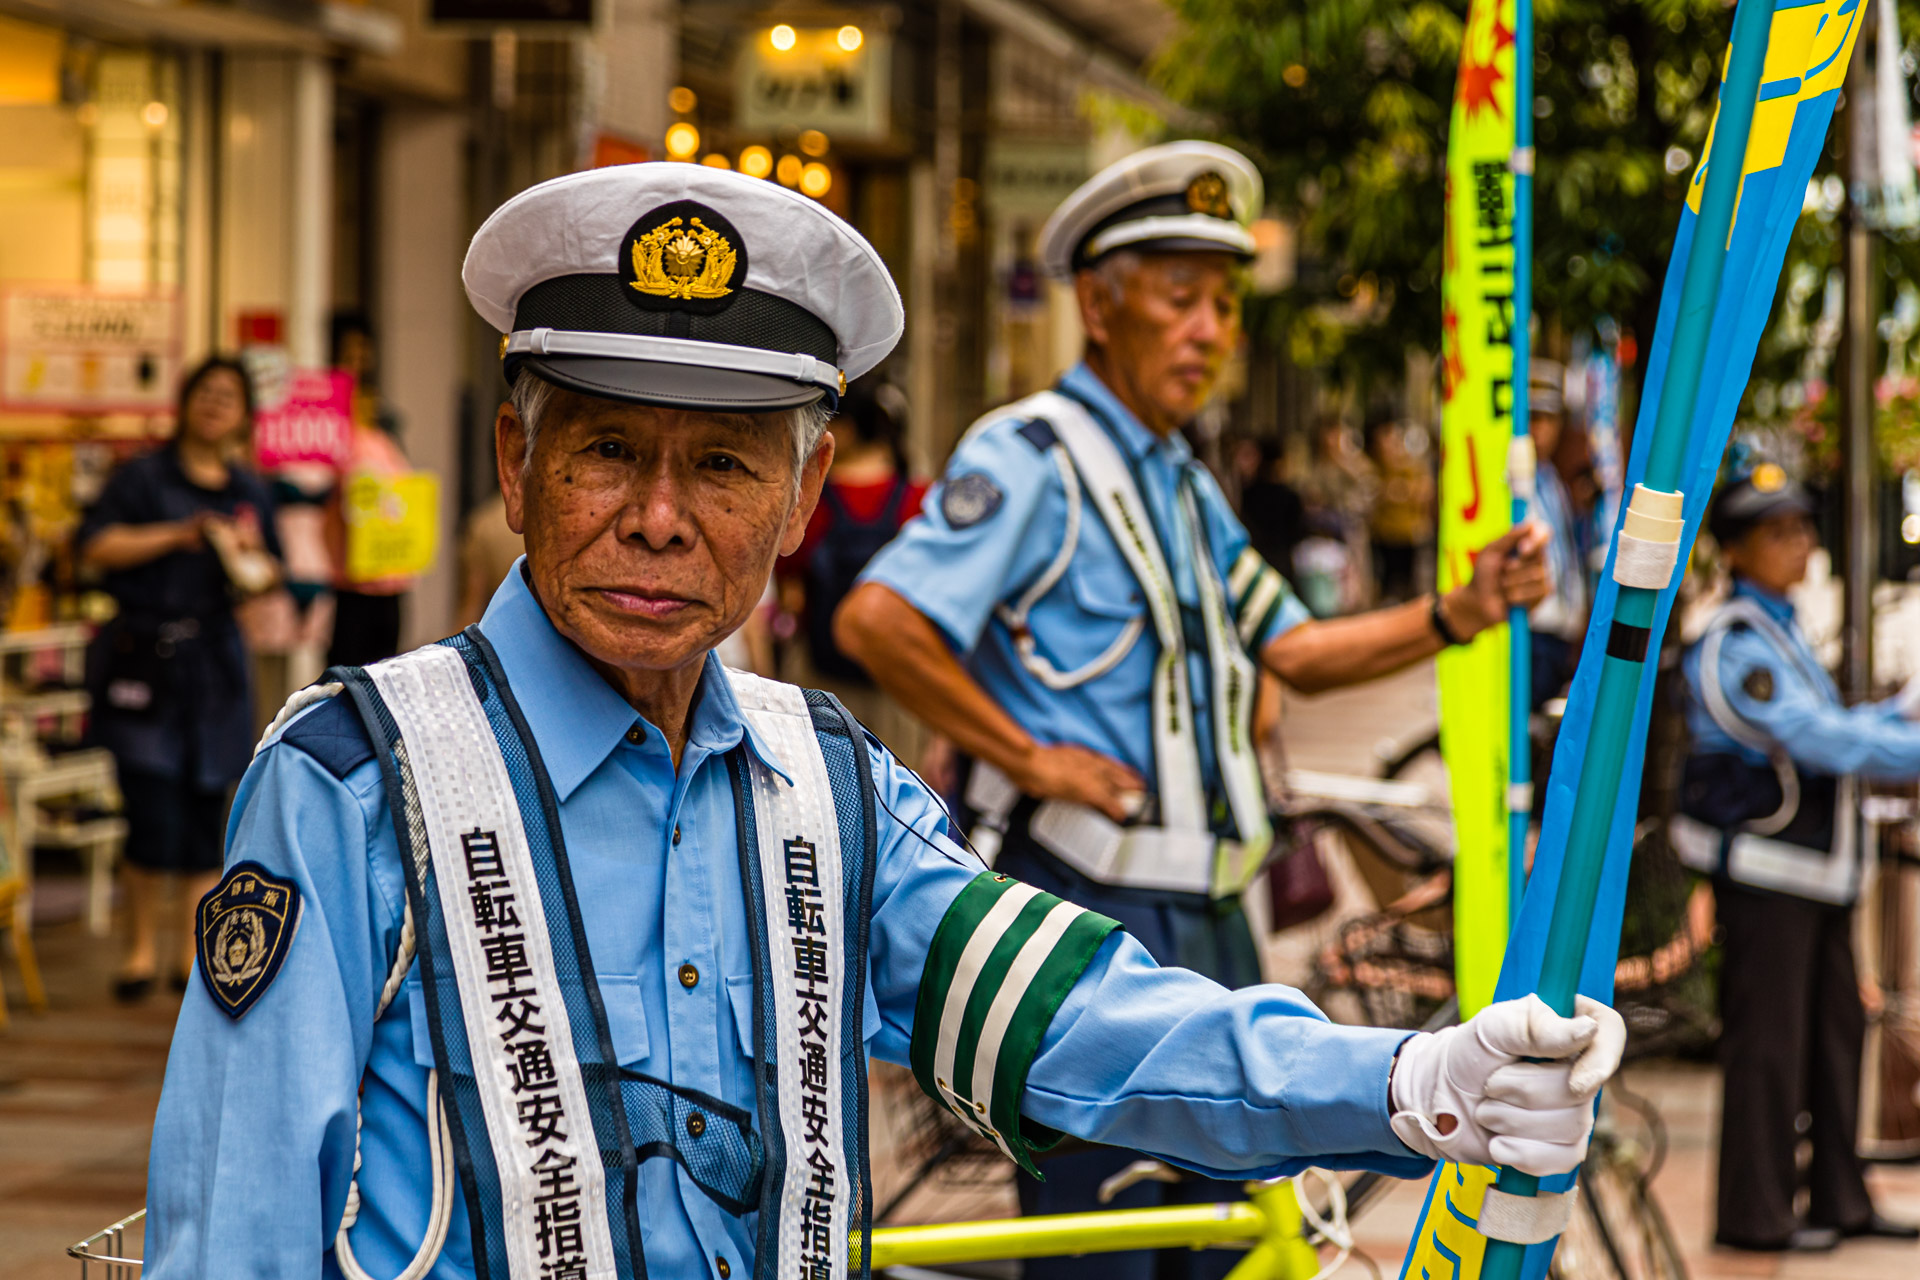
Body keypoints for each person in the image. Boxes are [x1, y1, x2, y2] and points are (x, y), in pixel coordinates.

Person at [144, 163, 1622, 1280]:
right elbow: (238, 1214)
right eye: (607, 452)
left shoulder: (826, 784)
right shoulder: (354, 780)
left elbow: (1078, 1022)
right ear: (514, 466)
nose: (659, 520)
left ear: (802, 497)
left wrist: (1408, 1081)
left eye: (724, 466)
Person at [835, 141, 1556, 1280]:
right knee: (1105, 1247)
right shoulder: (1035, 456)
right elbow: (881, 621)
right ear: (1098, 304)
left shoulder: (1184, 482)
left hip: (1213, 906)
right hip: (1086, 891)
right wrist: (1033, 756)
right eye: (1180, 298)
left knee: (1230, 1239)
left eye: (1224, 303)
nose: (1210, 330)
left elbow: (1298, 648)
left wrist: (1459, 610)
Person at [1673, 463, 1920, 1253]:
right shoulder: (1735, 640)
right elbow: (1821, 738)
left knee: (1834, 1035)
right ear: (1737, 551)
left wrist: (1896, 718)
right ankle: (1757, 1217)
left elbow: (1835, 721)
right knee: (1769, 1049)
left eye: (1803, 527)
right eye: (1779, 532)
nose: (1801, 544)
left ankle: (1837, 1201)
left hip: (1813, 875)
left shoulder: (1778, 627)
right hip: (1768, 876)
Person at [78, 356, 283, 1001]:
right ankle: (139, 953)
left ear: (244, 416)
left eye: (230, 397)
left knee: (205, 813)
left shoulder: (249, 491)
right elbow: (95, 549)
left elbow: (272, 572)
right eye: (206, 393)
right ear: (185, 403)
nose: (216, 404)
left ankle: (195, 957)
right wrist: (179, 536)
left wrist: (248, 555)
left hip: (216, 668)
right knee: (151, 811)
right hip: (145, 658)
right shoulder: (142, 477)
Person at [777, 378, 928, 751]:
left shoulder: (813, 501)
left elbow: (791, 594)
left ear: (844, 429)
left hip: (822, 681)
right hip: (900, 688)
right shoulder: (917, 497)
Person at [325, 311, 418, 667]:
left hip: (390, 573)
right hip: (347, 579)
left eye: (364, 353)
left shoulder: (384, 426)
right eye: (348, 354)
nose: (358, 362)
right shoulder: (325, 426)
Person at [1524, 359, 1588, 708]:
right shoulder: (1511, 481)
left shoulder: (1550, 478)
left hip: (1555, 635)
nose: (1539, 430)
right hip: (1529, 632)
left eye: (1547, 419)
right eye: (1531, 417)